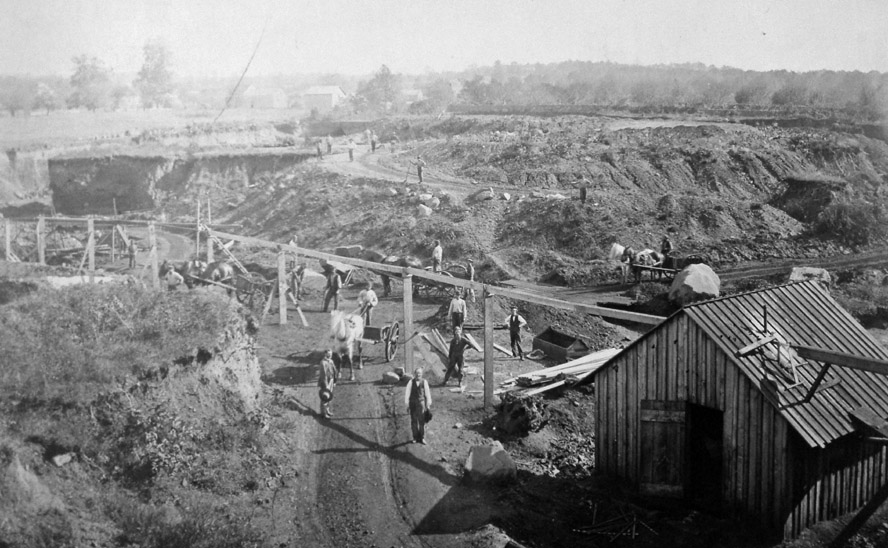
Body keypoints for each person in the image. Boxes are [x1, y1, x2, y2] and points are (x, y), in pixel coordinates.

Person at [404, 368, 432, 444]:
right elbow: (407, 394)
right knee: (414, 421)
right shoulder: (410, 382)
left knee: (421, 421)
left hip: (421, 404)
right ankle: (415, 437)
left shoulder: (424, 382)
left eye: (419, 373)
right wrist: (407, 405)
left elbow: (427, 394)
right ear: (414, 374)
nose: (418, 375)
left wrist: (428, 405)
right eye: (416, 373)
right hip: (412, 404)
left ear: (422, 374)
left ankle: (422, 437)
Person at [318, 349, 337, 418]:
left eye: (331, 354)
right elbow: (323, 375)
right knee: (325, 397)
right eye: (328, 354)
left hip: (331, 381)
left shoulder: (331, 361)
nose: (330, 355)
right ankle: (323, 413)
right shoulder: (323, 363)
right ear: (325, 354)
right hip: (325, 382)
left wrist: (334, 381)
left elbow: (334, 371)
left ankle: (327, 410)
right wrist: (326, 386)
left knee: (329, 397)